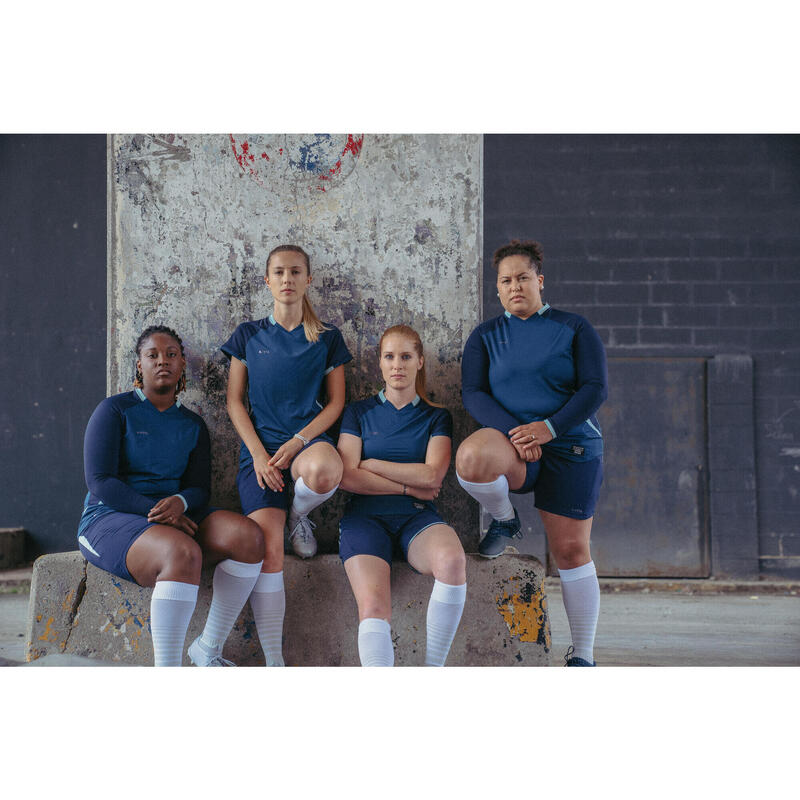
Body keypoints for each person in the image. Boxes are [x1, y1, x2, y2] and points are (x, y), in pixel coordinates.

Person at [455, 239, 607, 667]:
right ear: (498, 290)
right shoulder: (485, 336)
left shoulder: (574, 328)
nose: (514, 286)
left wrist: (548, 428)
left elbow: (595, 389)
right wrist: (518, 434)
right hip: (516, 446)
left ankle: (584, 657)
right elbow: (473, 393)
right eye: (505, 280)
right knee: (470, 460)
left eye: (523, 277)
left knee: (572, 552)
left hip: (569, 444)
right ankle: (504, 517)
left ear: (539, 281)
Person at [77, 325, 265, 666]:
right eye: (152, 355)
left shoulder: (192, 425)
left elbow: (198, 488)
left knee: (249, 536)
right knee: (181, 552)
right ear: (139, 365)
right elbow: (100, 481)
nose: (162, 361)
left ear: (182, 365)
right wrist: (161, 512)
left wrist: (180, 504)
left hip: (173, 516)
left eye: (171, 355)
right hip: (108, 520)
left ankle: (207, 651)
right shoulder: (114, 411)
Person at [222, 244, 351, 666]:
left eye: (296, 271)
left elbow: (335, 405)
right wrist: (259, 455)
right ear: (267, 280)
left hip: (304, 445)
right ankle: (275, 662)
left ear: (308, 279)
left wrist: (298, 441)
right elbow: (235, 403)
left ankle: (299, 515)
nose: (287, 279)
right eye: (278, 272)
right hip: (259, 456)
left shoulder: (328, 337)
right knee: (268, 549)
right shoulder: (248, 334)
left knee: (327, 469)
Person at [337, 325, 467, 666]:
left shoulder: (436, 416)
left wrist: (375, 463)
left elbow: (432, 475)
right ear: (379, 363)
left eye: (406, 356)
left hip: (416, 516)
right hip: (364, 518)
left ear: (420, 362)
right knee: (374, 607)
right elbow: (347, 477)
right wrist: (408, 486)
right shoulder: (357, 413)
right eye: (389, 356)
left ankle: (432, 669)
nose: (398, 365)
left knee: (453, 562)